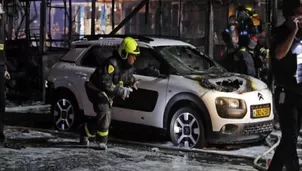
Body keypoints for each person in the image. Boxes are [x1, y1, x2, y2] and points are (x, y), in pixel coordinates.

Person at [80, 37, 140, 149]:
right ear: (124, 54)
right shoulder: (112, 64)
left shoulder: (126, 67)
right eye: (132, 55)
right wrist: (121, 90)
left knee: (102, 117)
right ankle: (101, 142)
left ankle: (85, 131)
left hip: (106, 93)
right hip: (96, 90)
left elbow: (127, 77)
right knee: (105, 112)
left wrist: (133, 82)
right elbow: (105, 83)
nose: (135, 58)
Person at [268, 0, 302, 170]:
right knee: (290, 137)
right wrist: (293, 32)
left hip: (300, 91)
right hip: (286, 93)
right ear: (291, 16)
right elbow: (279, 55)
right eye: (299, 13)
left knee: (290, 138)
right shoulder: (280, 33)